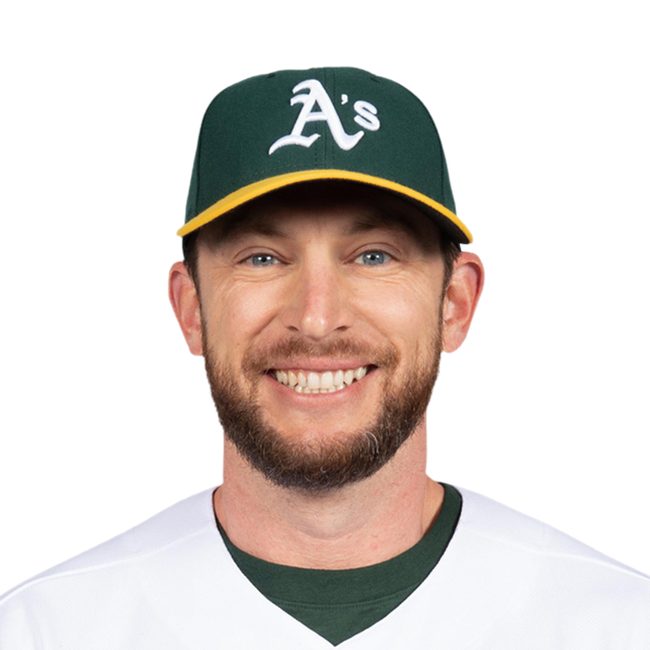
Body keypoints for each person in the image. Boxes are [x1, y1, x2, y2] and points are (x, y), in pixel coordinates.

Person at [0, 67, 647, 649]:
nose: (315, 318)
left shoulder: (617, 626)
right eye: (262, 257)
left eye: (374, 255)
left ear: (454, 304)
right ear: (190, 308)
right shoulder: (42, 631)